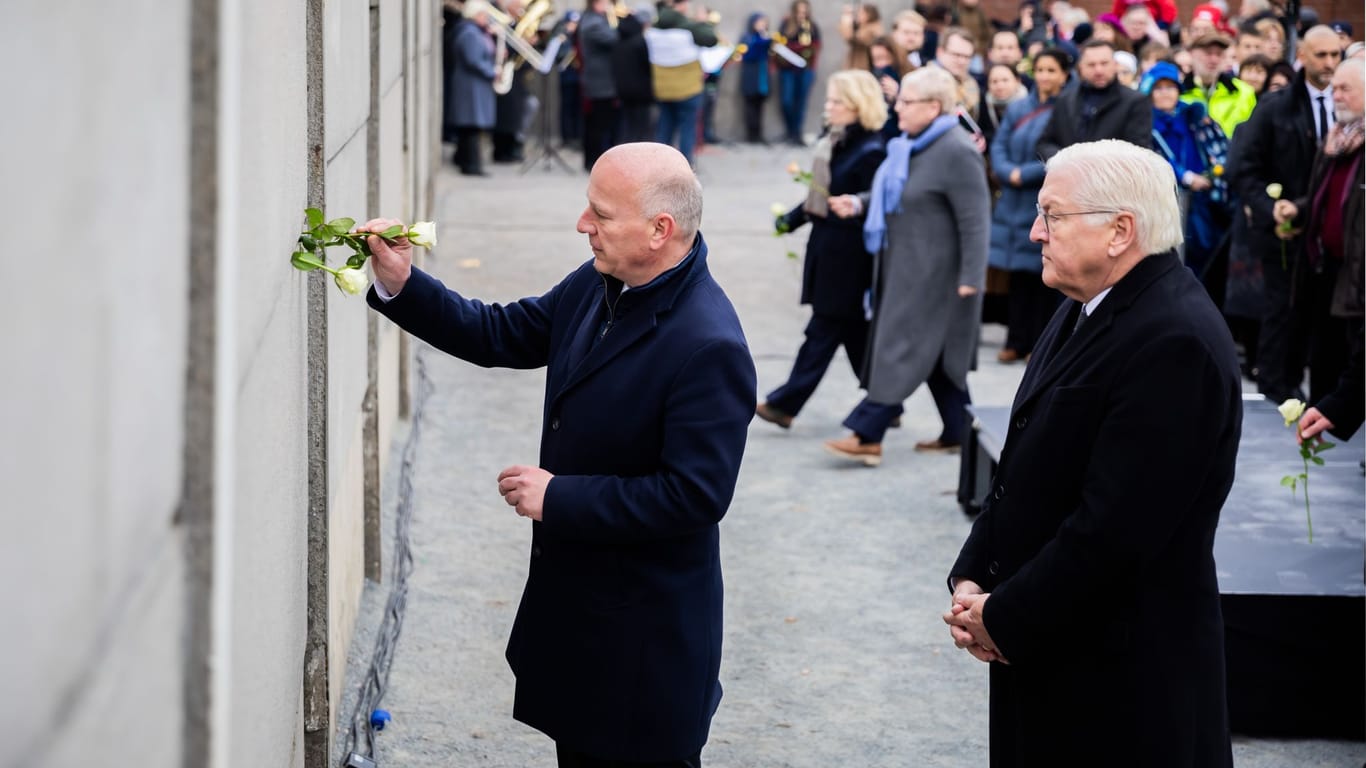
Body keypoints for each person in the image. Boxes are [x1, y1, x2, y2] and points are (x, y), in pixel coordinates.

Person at [361, 142, 756, 767]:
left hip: (646, 649)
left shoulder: (709, 344)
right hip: (585, 623)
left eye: (600, 213)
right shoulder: (605, 280)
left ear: (661, 230)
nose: (582, 225)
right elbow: (502, 332)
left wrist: (558, 496)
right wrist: (403, 284)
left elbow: (695, 497)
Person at [945, 139, 1241, 767]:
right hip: (1058, 648)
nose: (1033, 232)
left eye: (1052, 214)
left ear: (1119, 231)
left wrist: (1006, 615)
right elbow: (1027, 463)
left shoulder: (1173, 340)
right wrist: (974, 574)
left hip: (1123, 681)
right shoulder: (1089, 300)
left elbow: (1115, 530)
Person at [823, 67, 991, 464]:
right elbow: (903, 192)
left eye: (905, 102)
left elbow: (976, 219)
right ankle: (958, 431)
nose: (896, 107)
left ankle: (868, 431)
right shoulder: (910, 145)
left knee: (901, 347)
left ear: (933, 107)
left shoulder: (957, 150)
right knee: (937, 357)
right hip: (906, 268)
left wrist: (971, 276)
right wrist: (861, 202)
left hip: (938, 276)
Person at [757, 71, 889, 429]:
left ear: (858, 106)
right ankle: (886, 401)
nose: (828, 108)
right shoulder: (837, 140)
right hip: (829, 250)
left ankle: (785, 404)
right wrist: (791, 220)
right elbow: (821, 194)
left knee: (823, 332)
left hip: (848, 258)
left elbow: (873, 208)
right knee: (852, 334)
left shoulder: (872, 150)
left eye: (836, 102)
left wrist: (836, 212)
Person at [1227, 25, 1341, 403]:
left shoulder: (1349, 104)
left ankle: (1326, 391)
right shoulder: (1275, 107)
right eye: (1321, 55)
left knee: (1325, 313)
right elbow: (1243, 167)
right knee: (1282, 307)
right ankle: (1278, 384)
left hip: (1333, 230)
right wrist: (1269, 208)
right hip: (1282, 231)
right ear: (1303, 57)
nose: (1328, 63)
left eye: (1334, 55)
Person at [1273, 58, 1364, 408]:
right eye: (1334, 87)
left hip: (1359, 276)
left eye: (1345, 89)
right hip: (1326, 269)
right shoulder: (1336, 139)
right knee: (1327, 360)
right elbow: (1326, 197)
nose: (1335, 95)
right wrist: (1298, 209)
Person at [989, 47, 1070, 363]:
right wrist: (1007, 170)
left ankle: (1039, 342)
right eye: (1040, 70)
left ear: (1063, 74)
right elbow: (1000, 143)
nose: (1045, 76)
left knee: (1044, 275)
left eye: (1052, 70)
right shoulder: (1019, 106)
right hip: (1013, 198)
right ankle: (1016, 338)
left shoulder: (1066, 107)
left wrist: (1028, 172)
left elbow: (1065, 149)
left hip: (1043, 196)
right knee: (1018, 274)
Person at [1145, 60, 1232, 279]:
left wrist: (1212, 174)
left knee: (1205, 253)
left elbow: (1216, 148)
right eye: (1159, 88)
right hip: (1166, 202)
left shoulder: (1193, 117)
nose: (1165, 93)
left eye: (1170, 87)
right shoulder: (1146, 123)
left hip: (1201, 200)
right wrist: (1184, 176)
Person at [1035, 39, 1152, 158]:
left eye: (1104, 63)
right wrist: (1066, 161)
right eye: (1091, 64)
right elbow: (1045, 143)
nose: (1098, 70)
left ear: (1115, 65)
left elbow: (1137, 150)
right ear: (1081, 67)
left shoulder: (1135, 102)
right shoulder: (1065, 99)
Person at [648, 0, 718, 166]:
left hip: (663, 88)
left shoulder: (654, 26)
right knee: (687, 129)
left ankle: (659, 166)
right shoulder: (689, 27)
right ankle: (686, 166)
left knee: (664, 127)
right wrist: (702, 22)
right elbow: (711, 39)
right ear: (680, 6)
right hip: (688, 88)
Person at [448, 0, 500, 176]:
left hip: (474, 86)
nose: (486, 19)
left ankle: (468, 161)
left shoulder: (475, 31)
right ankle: (471, 165)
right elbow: (474, 59)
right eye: (484, 15)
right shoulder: (469, 33)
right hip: (470, 86)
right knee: (471, 126)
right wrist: (492, 72)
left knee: (472, 127)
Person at [1180, 32, 1258, 138]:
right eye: (1208, 53)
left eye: (1219, 54)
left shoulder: (1244, 92)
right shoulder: (1178, 94)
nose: (1214, 60)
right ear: (1192, 54)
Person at [578, 0, 620, 171]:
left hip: (600, 80)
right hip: (600, 81)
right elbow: (614, 38)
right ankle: (594, 162)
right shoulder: (594, 22)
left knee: (597, 123)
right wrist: (614, 17)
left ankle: (593, 161)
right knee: (598, 124)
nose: (610, 5)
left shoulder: (593, 20)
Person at [776, 0, 822, 146]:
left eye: (805, 11)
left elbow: (817, 46)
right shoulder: (786, 25)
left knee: (800, 102)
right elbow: (779, 43)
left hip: (805, 69)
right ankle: (790, 131)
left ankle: (797, 133)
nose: (802, 14)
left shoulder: (812, 26)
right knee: (787, 101)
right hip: (788, 69)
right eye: (799, 11)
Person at [738, 12, 774, 144]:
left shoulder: (766, 37)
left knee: (760, 107)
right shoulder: (747, 37)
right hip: (751, 77)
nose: (762, 25)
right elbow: (747, 55)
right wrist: (762, 40)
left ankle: (759, 134)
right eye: (759, 22)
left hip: (762, 77)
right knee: (750, 108)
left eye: (764, 22)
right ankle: (751, 135)